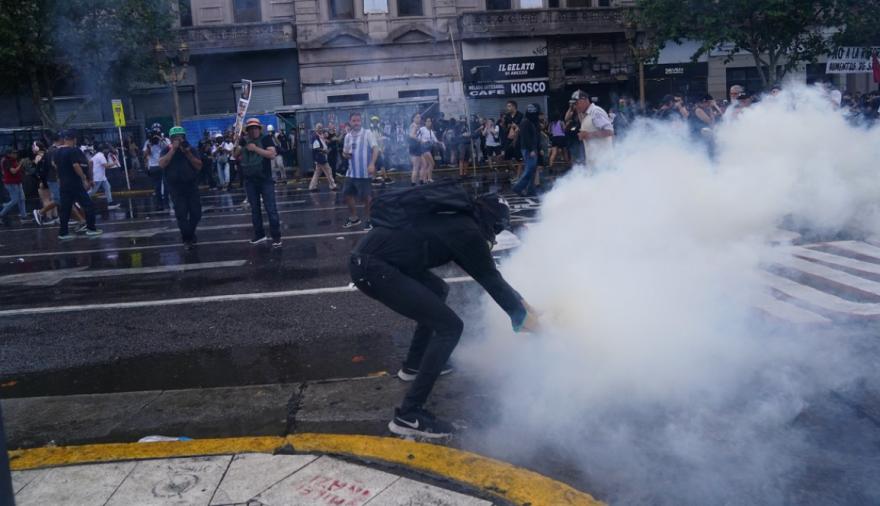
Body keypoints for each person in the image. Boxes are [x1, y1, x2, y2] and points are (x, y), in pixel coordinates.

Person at [350, 190, 540, 438]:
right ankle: (409, 415)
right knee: (450, 327)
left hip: (375, 261)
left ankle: (414, 365)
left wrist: (524, 305)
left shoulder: (458, 220)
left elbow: (486, 273)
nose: (493, 236)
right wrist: (529, 324)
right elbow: (491, 279)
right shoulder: (468, 232)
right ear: (491, 222)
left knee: (438, 289)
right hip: (374, 268)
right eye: (496, 229)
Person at [236, 118, 282, 248]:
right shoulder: (244, 140)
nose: (253, 130)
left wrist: (255, 149)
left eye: (255, 128)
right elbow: (235, 154)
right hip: (250, 180)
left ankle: (276, 236)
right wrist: (238, 144)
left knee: (270, 208)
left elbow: (272, 154)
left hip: (265, 179)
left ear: (259, 129)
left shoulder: (266, 139)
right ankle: (259, 234)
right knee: (255, 209)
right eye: (251, 128)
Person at [159, 126, 203, 250]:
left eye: (180, 137)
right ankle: (187, 239)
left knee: (196, 213)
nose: (178, 140)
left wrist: (187, 152)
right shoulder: (166, 150)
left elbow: (199, 166)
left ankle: (190, 233)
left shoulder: (191, 149)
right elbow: (162, 164)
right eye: (175, 138)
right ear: (171, 139)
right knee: (181, 214)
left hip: (191, 185)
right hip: (175, 187)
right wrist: (173, 150)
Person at [55, 130, 101, 240]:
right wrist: (84, 178)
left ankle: (63, 232)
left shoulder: (58, 152)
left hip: (64, 184)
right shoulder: (73, 151)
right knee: (88, 205)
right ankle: (91, 228)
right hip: (74, 183)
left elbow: (55, 167)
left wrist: (59, 179)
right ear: (74, 139)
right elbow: (76, 165)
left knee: (65, 208)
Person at [342, 112, 378, 230]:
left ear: (361, 121)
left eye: (358, 120)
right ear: (350, 122)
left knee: (366, 198)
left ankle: (369, 220)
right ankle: (354, 218)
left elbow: (375, 149)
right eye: (354, 121)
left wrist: (372, 163)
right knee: (347, 195)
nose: (356, 123)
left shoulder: (367, 133)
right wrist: (345, 155)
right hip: (351, 172)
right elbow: (344, 152)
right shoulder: (348, 136)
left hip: (364, 173)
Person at [572, 90, 614, 172]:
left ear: (585, 100)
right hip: (595, 163)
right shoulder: (587, 114)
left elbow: (609, 131)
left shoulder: (595, 112)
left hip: (602, 162)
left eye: (576, 103)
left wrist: (588, 135)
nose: (575, 106)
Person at [512, 103, 542, 197]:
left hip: (532, 149)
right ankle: (518, 187)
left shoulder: (532, 121)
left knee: (532, 170)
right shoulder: (525, 122)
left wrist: (538, 148)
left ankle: (531, 190)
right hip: (528, 149)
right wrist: (532, 149)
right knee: (530, 169)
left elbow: (536, 136)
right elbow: (526, 138)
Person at [143, 124, 170, 208]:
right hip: (154, 166)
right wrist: (149, 146)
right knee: (157, 186)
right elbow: (145, 155)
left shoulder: (165, 140)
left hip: (164, 164)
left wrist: (161, 140)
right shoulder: (148, 142)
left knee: (166, 185)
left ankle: (166, 202)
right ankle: (159, 203)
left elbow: (170, 149)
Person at [88, 144, 121, 209]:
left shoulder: (97, 155)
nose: (108, 151)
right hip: (98, 177)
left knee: (108, 187)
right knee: (93, 191)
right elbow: (106, 166)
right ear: (104, 150)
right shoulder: (101, 156)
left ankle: (110, 202)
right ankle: (81, 199)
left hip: (102, 177)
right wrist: (115, 163)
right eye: (107, 149)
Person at [0, 149, 27, 226]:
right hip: (11, 183)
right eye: (14, 153)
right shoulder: (6, 161)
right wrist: (20, 164)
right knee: (15, 200)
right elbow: (13, 171)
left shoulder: (13, 160)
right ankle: (2, 212)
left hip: (17, 182)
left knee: (22, 199)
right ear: (9, 154)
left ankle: (24, 216)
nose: (16, 154)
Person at [309, 123, 337, 192]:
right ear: (316, 128)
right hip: (320, 157)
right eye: (319, 128)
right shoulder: (315, 136)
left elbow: (323, 143)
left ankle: (312, 186)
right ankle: (332, 185)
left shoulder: (319, 136)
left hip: (321, 157)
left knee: (317, 172)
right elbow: (316, 148)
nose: (320, 129)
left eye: (321, 128)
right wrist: (325, 151)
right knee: (328, 171)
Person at [416, 117, 439, 184]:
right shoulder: (422, 129)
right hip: (423, 149)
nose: (429, 123)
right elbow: (417, 137)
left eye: (430, 121)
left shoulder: (431, 131)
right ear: (425, 122)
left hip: (428, 149)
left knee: (425, 165)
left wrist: (441, 143)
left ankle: (425, 179)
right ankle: (427, 179)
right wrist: (423, 141)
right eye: (427, 121)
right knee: (431, 163)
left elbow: (435, 140)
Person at [408, 113, 423, 186]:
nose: (419, 119)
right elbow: (411, 135)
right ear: (413, 118)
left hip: (414, 147)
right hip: (415, 147)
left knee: (419, 165)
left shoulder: (414, 125)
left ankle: (418, 181)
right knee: (416, 166)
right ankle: (413, 183)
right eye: (417, 117)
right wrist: (419, 140)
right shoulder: (414, 125)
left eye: (419, 117)